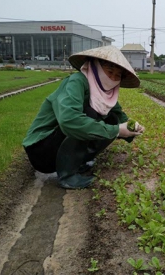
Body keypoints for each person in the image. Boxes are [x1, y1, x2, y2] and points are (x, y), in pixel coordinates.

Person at [22, 45, 145, 189]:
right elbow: (69, 120)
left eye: (117, 76)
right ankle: (68, 176)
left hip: (57, 146)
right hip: (41, 151)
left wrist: (133, 128)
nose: (112, 78)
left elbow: (119, 116)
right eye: (109, 72)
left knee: (111, 119)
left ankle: (79, 161)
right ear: (95, 67)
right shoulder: (77, 81)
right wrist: (116, 131)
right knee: (89, 115)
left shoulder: (105, 93)